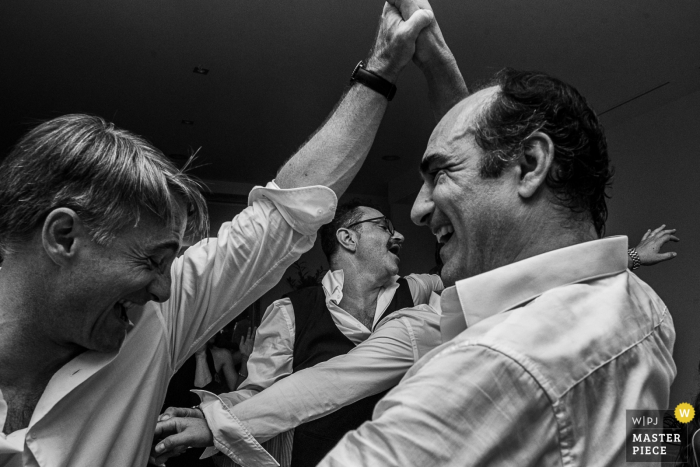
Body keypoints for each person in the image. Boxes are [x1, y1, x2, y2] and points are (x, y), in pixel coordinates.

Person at [0, 5, 433, 465]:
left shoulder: (156, 319)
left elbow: (283, 216)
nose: (165, 287)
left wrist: (382, 68)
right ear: (64, 237)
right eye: (150, 261)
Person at [314, 0, 680, 465]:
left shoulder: (478, 372)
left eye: (439, 175)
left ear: (530, 165)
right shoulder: (649, 312)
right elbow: (648, 449)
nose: (418, 211)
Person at [151, 202, 443, 466]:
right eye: (384, 227)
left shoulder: (417, 291)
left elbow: (463, 279)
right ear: (348, 238)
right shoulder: (290, 311)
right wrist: (215, 415)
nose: (400, 236)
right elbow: (261, 394)